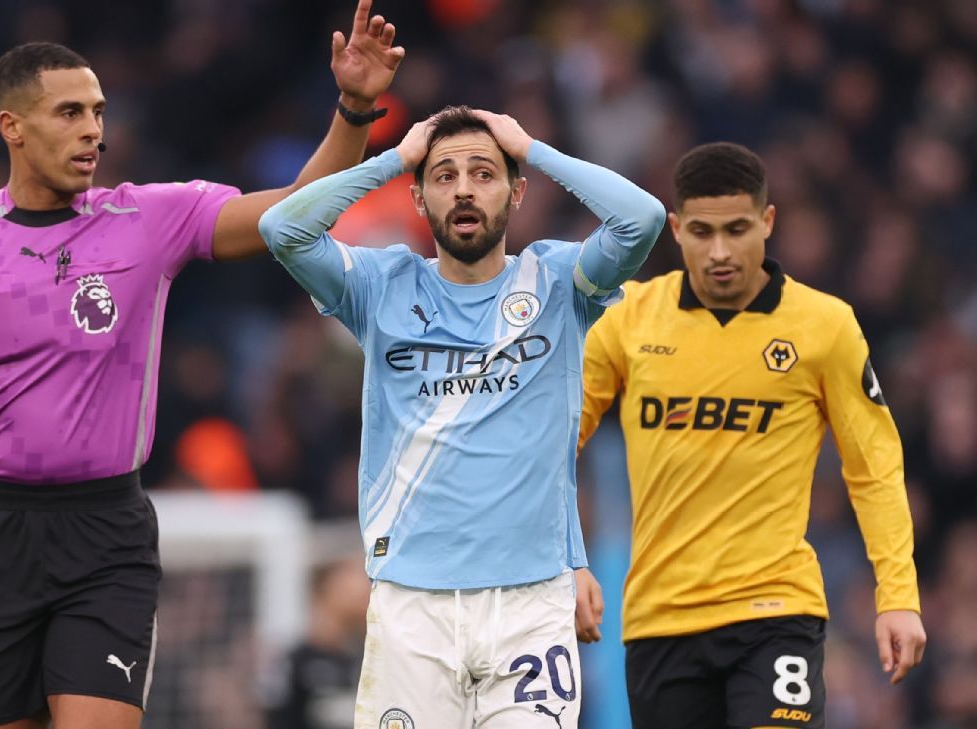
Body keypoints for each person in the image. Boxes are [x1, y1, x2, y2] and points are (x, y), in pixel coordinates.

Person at [0, 2, 404, 727]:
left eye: (97, 111)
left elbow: (294, 214)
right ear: (13, 127)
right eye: (68, 112)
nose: (93, 129)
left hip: (106, 533)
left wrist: (352, 108)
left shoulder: (151, 219)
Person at [259, 105, 666, 728]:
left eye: (484, 173)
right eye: (444, 177)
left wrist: (533, 147)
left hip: (531, 606)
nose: (465, 189)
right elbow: (281, 228)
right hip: (411, 605)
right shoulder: (381, 285)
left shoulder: (558, 283)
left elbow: (643, 220)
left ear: (515, 191)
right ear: (419, 199)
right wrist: (395, 159)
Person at [575, 141, 927, 729]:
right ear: (676, 228)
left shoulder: (825, 327)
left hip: (776, 609)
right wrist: (567, 561)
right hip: (661, 618)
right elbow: (552, 445)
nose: (720, 252)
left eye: (737, 229)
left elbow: (875, 466)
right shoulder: (628, 319)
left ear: (768, 222)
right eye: (703, 232)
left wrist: (898, 597)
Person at [264, 555, 370, 729]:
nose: (362, 590)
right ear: (324, 589)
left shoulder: (364, 660)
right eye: (349, 577)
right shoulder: (292, 663)